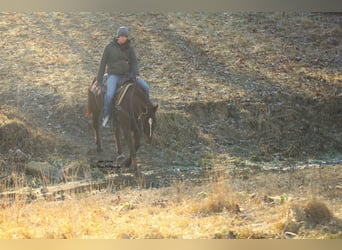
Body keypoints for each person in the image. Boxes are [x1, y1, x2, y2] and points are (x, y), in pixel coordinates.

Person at [96, 26, 150, 128]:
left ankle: (147, 113)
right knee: (110, 94)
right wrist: (99, 80)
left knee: (146, 87)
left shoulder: (129, 48)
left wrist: (136, 74)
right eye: (121, 36)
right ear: (117, 37)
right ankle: (106, 117)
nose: (123, 38)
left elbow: (134, 62)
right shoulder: (109, 48)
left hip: (128, 75)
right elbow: (102, 64)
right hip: (114, 75)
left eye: (125, 36)